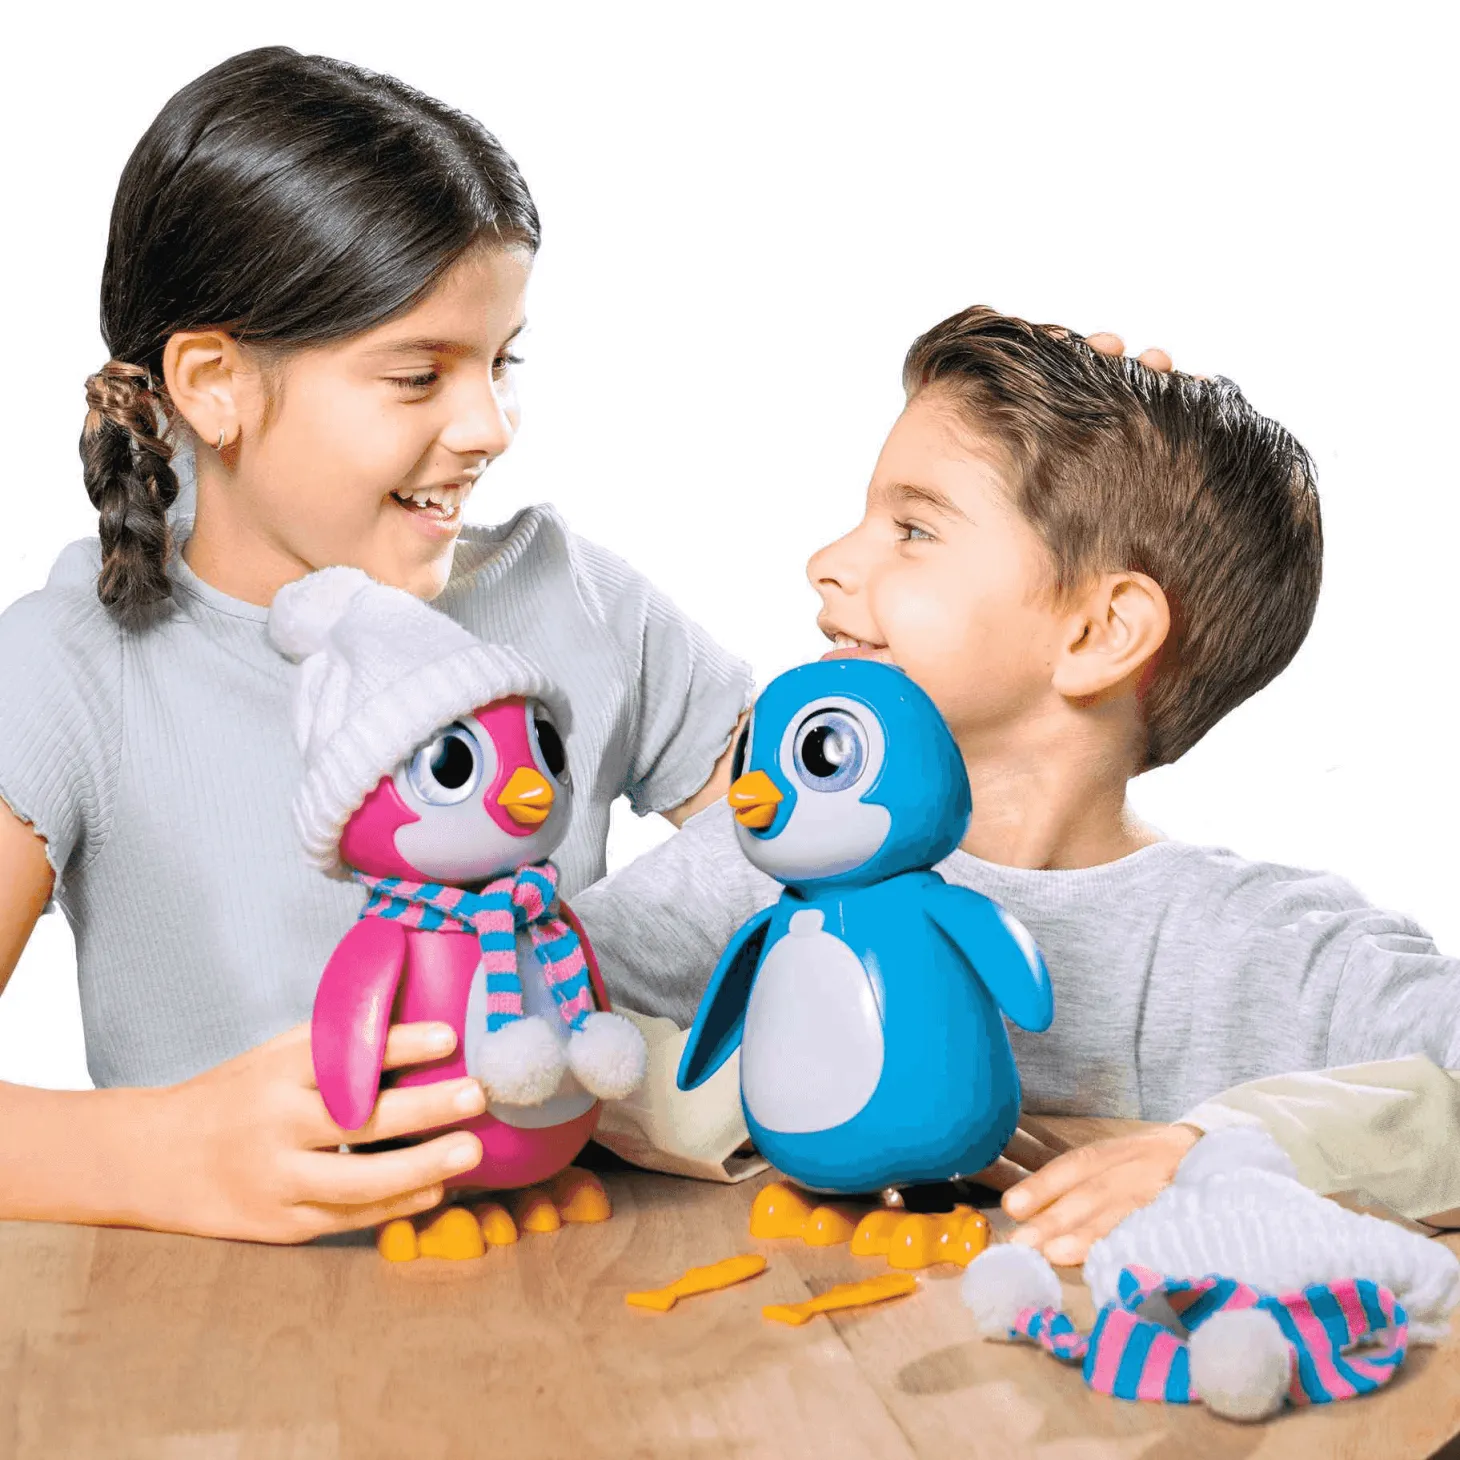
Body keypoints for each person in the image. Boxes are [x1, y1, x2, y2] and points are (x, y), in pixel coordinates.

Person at [0, 47, 752, 1243]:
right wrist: (154, 1151)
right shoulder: (68, 669)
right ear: (214, 382)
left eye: (500, 360)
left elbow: (837, 854)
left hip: (575, 1293)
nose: (488, 425)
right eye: (417, 374)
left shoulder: (576, 599)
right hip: (220, 1336)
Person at [571, 305, 1460, 1263]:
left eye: (914, 529)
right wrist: (779, 1101)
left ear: (1099, 633)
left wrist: (1232, 1152)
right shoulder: (754, 874)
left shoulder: (1276, 948)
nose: (826, 565)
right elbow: (517, 1016)